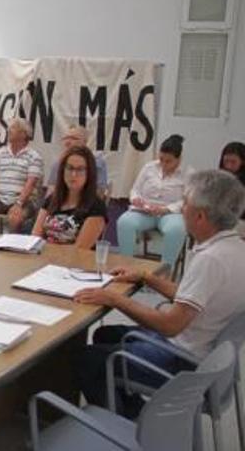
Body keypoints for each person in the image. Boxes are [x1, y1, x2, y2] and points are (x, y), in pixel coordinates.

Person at [75, 170, 245, 418]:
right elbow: (194, 297)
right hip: (202, 351)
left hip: (182, 362)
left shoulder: (211, 260)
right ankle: (132, 411)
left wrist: (114, 299)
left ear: (200, 216)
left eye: (185, 203)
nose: (181, 209)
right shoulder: (235, 247)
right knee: (103, 334)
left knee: (87, 361)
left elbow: (170, 325)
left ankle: (121, 429)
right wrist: (146, 278)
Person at [116, 134, 194, 267]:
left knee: (176, 229)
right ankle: (126, 265)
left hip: (170, 213)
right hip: (144, 211)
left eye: (168, 161)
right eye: (161, 159)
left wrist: (166, 209)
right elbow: (134, 190)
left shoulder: (188, 173)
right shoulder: (149, 167)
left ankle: (165, 271)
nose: (163, 164)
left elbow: (186, 201)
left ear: (179, 159)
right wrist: (136, 200)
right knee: (124, 222)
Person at [31, 146, 106, 249]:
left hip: (74, 262)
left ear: (89, 173)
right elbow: (35, 237)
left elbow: (80, 249)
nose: (73, 174)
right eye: (70, 168)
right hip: (44, 258)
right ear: (62, 170)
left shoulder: (96, 207)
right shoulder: (52, 199)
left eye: (80, 169)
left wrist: (47, 250)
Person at [0, 118, 44, 233]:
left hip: (24, 200)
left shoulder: (34, 156)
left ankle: (10, 246)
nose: (9, 130)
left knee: (15, 218)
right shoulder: (1, 152)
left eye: (13, 128)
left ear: (23, 134)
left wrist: (18, 203)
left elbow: (30, 183)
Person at [46, 125, 108, 197]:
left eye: (73, 138)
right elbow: (51, 191)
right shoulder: (58, 163)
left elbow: (99, 192)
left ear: (85, 142)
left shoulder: (97, 162)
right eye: (65, 138)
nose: (68, 142)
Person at [219, 141, 245, 220]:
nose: (228, 166)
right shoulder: (218, 179)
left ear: (243, 162)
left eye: (233, 162)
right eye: (226, 161)